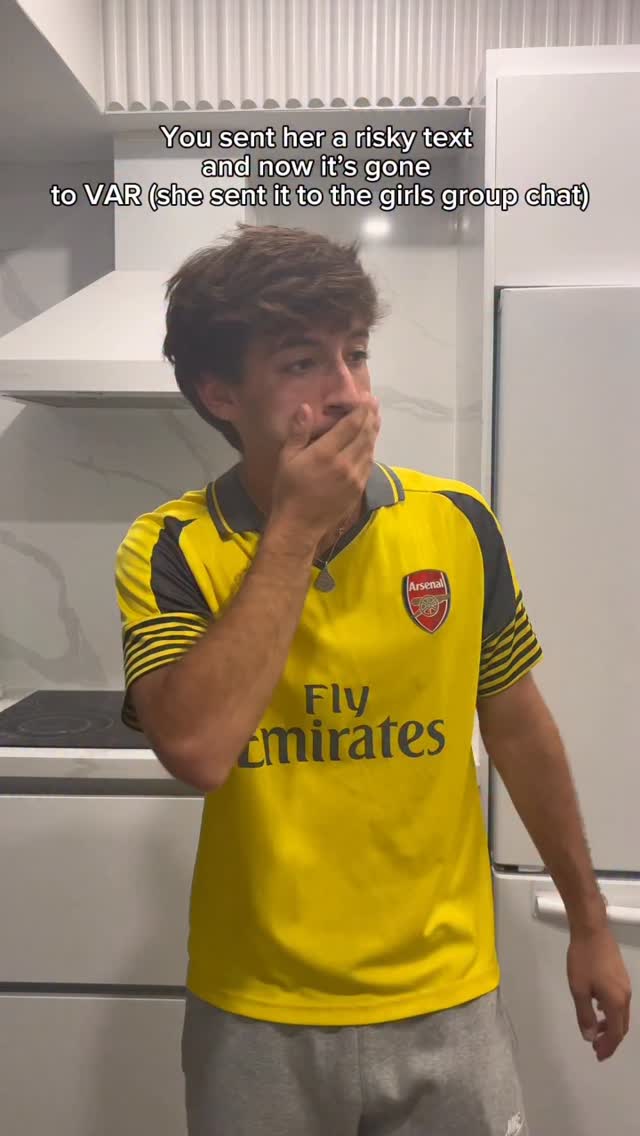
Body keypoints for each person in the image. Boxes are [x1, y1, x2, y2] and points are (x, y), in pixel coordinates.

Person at [114, 223, 630, 1136]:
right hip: (258, 1012)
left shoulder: (457, 524)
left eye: (355, 354)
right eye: (302, 362)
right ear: (220, 393)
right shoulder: (169, 546)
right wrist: (293, 531)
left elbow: (518, 729)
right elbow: (197, 749)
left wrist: (590, 923)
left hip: (449, 997)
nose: (350, 393)